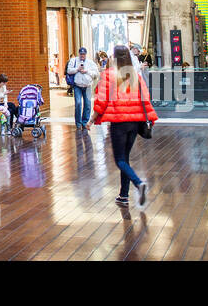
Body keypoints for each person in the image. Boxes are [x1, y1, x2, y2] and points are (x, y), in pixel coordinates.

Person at [91, 45, 158, 208]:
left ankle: (138, 183)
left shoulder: (108, 75)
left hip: (119, 122)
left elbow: (101, 100)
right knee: (125, 158)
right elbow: (145, 97)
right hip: (135, 122)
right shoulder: (135, 75)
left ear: (114, 57)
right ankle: (123, 195)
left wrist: (92, 119)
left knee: (120, 159)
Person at [66, 48, 100, 130]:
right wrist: (77, 69)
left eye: (84, 54)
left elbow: (96, 74)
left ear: (86, 54)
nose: (82, 56)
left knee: (87, 104)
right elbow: (68, 71)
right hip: (77, 85)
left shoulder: (90, 63)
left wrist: (87, 71)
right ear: (79, 54)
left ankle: (84, 122)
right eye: (81, 54)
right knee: (78, 103)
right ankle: (78, 123)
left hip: (87, 85)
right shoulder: (73, 61)